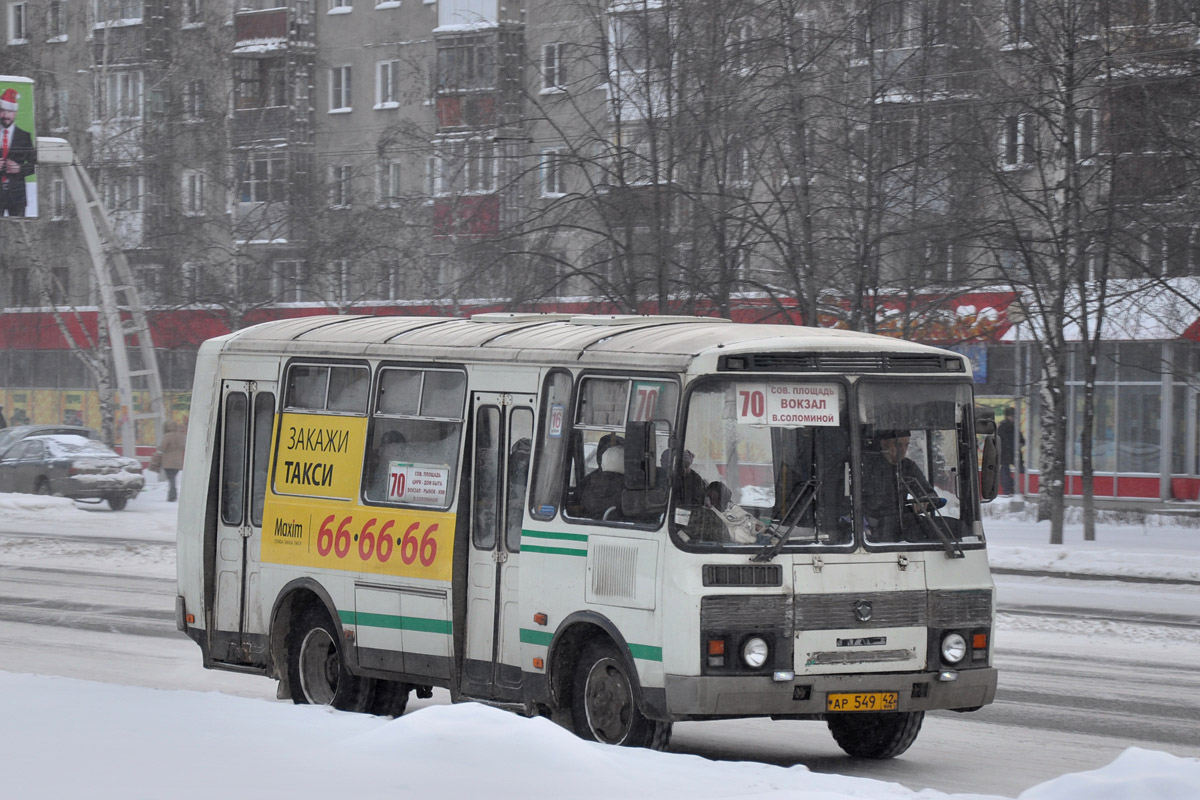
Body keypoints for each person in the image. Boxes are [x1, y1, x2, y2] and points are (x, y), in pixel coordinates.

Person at [862, 429, 943, 542]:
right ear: (883, 444)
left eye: (906, 445)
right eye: (897, 444)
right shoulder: (866, 467)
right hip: (870, 534)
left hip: (901, 530)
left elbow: (928, 493)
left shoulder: (908, 467)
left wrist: (925, 499)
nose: (903, 450)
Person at [0, 87, 36, 218]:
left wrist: (20, 168)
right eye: (2, 110)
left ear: (15, 112)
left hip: (17, 196)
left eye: (9, 111)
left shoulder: (24, 136)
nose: (5, 115)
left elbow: (35, 165)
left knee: (18, 234)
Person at [156, 420, 187, 502]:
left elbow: (163, 447)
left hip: (168, 462)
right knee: (173, 478)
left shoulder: (167, 436)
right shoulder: (181, 436)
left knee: (171, 479)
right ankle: (173, 495)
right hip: (178, 461)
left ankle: (172, 496)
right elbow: (183, 446)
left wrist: (159, 448)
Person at [997, 407, 1024, 496]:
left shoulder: (1012, 426)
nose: (1013, 418)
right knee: (1006, 470)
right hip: (1008, 453)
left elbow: (1021, 439)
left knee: (1011, 470)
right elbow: (1003, 440)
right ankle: (1010, 489)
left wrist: (1020, 443)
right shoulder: (1005, 426)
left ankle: (1011, 488)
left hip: (1009, 453)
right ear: (1008, 416)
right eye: (1012, 416)